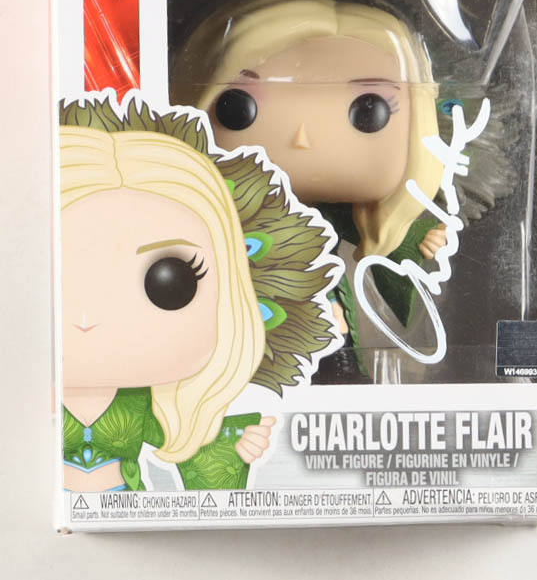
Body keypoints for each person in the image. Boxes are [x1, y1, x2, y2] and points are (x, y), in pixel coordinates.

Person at [59, 95, 340, 491]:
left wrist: (236, 443)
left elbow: (189, 441)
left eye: (170, 284)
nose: (88, 319)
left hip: (122, 507)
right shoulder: (26, 400)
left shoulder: (141, 404)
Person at [170, 0, 449, 382]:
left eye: (369, 111)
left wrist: (422, 233)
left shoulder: (332, 217)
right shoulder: (221, 217)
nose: (302, 136)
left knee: (334, 362)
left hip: (325, 324)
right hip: (241, 329)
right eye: (238, 108)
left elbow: (381, 238)